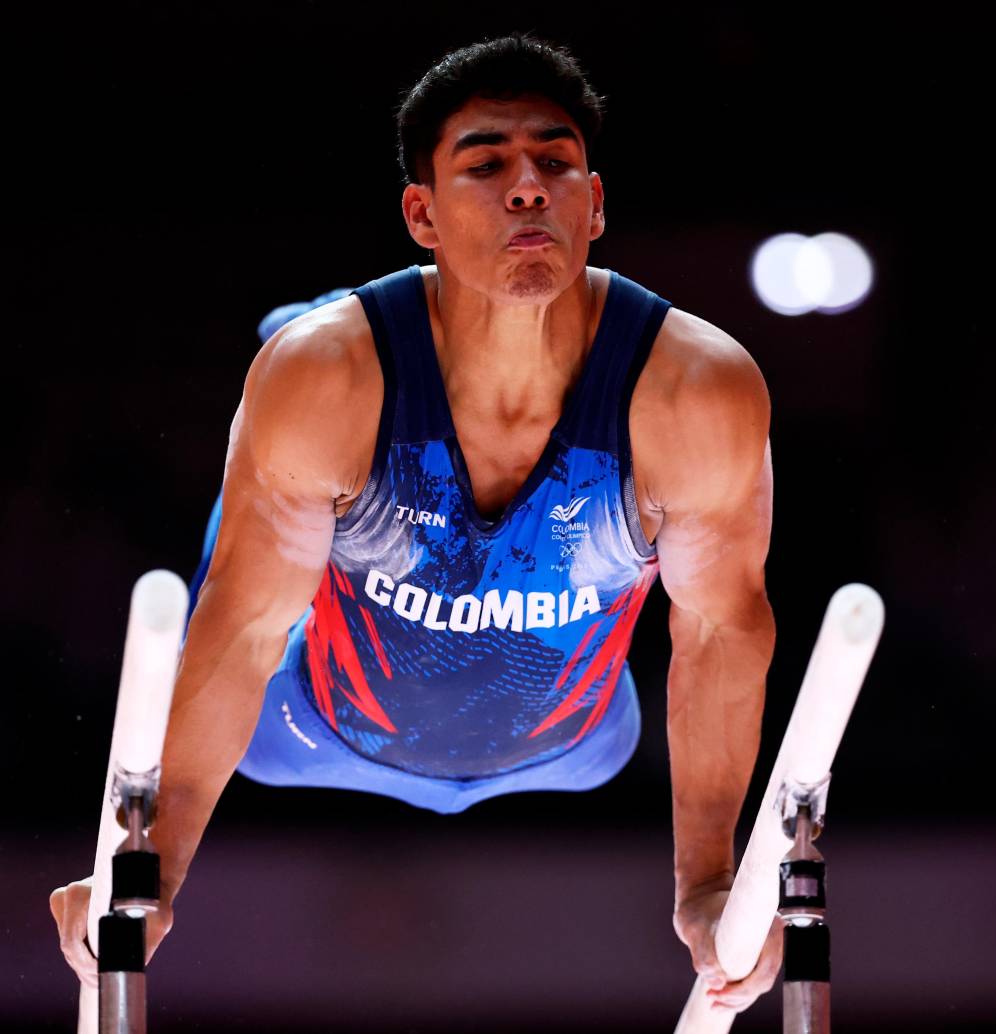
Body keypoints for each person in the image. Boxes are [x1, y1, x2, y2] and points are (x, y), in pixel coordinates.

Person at [51, 32, 781, 1016]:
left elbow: (718, 631)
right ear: (421, 213)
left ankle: (319, 405)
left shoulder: (696, 390)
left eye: (555, 161)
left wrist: (709, 884)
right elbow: (249, 629)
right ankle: (305, 365)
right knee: (288, 444)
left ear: (596, 203)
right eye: (486, 165)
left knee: (327, 421)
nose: (528, 187)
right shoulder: (332, 382)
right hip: (309, 726)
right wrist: (151, 872)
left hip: (573, 743)